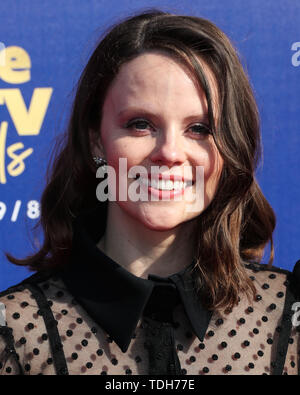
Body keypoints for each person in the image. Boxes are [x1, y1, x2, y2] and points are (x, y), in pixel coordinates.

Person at [0, 9, 299, 376]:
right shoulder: (16, 332)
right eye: (140, 124)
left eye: (199, 128)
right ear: (97, 140)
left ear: (230, 146)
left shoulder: (288, 317)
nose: (170, 153)